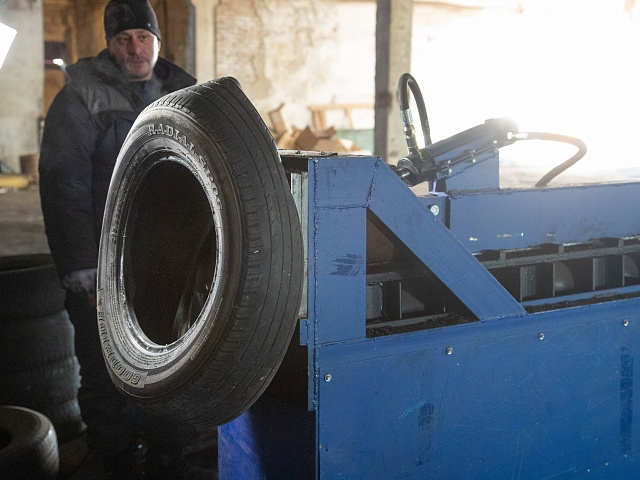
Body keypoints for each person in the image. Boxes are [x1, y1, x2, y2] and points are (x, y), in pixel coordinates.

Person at [39, 1, 206, 478]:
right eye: (123, 39)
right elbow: (62, 182)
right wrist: (79, 266)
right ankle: (112, 459)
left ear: (157, 41)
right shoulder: (80, 97)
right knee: (104, 369)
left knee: (174, 366)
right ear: (109, 46)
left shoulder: (185, 91)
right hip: (103, 267)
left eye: (143, 37)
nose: (135, 48)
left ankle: (168, 458)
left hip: (167, 264)